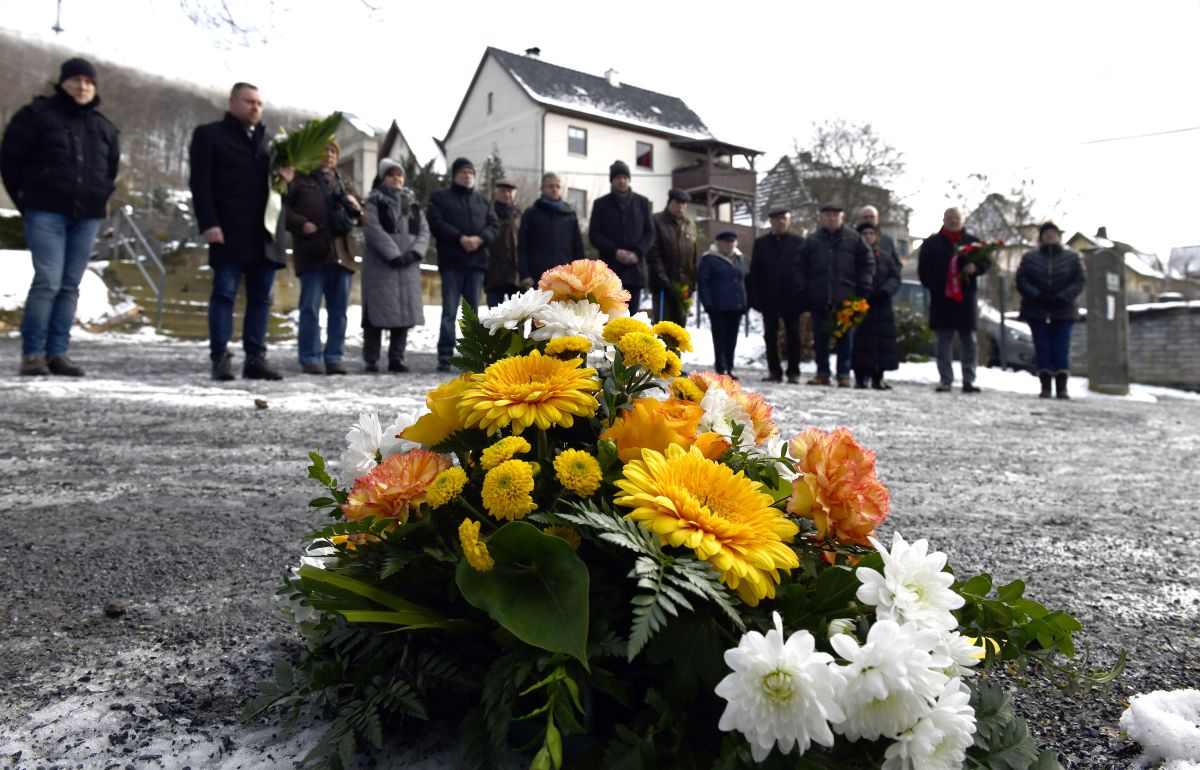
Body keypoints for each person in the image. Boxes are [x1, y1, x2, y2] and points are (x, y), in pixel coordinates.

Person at [2, 57, 119, 377]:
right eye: (76, 79)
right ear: (63, 82)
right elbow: (10, 161)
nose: (82, 86)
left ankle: (58, 353)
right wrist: (26, 201)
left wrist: (100, 195)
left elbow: (110, 169)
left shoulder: (103, 127)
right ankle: (32, 354)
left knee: (70, 285)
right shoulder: (35, 117)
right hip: (45, 212)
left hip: (87, 217)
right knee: (48, 281)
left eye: (89, 82)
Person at [189, 82, 285, 380]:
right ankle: (220, 358)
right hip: (228, 229)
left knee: (261, 299)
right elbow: (200, 184)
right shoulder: (209, 135)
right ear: (232, 102)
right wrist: (209, 223)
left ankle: (255, 359)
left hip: (265, 234)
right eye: (249, 101)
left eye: (259, 103)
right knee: (224, 294)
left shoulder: (272, 144)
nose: (255, 107)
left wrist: (286, 178)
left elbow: (281, 193)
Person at [282, 138, 363, 375]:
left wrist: (357, 207)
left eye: (333, 151)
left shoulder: (344, 181)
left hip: (342, 256)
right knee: (309, 309)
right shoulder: (300, 179)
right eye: (324, 150)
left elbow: (363, 217)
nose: (329, 155)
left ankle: (334, 358)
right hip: (313, 253)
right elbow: (282, 210)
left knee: (339, 312)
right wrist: (300, 224)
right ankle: (309, 358)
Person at [426, 157, 498, 372]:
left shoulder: (483, 201)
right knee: (449, 311)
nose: (468, 176)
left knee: (472, 314)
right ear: (455, 175)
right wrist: (460, 238)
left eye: (471, 172)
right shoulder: (440, 198)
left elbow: (494, 225)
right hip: (452, 262)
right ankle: (445, 355)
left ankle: (471, 356)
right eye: (464, 172)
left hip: (476, 264)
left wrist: (480, 239)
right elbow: (436, 222)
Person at [360, 158, 429, 373]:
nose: (397, 178)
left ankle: (396, 358)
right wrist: (393, 254)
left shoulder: (413, 204)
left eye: (400, 175)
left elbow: (424, 231)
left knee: (403, 315)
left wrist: (415, 253)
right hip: (381, 267)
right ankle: (371, 359)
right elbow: (372, 229)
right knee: (375, 315)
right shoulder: (373, 202)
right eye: (391, 175)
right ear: (383, 178)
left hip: (408, 266)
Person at [798, 203, 875, 387]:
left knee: (845, 339)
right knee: (820, 338)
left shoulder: (854, 239)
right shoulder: (812, 241)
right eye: (827, 215)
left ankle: (843, 374)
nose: (831, 218)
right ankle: (822, 373)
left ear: (842, 217)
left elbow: (867, 263)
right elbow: (799, 266)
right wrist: (803, 288)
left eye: (835, 215)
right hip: (819, 296)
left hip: (847, 298)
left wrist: (863, 286)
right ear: (821, 218)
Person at [918, 207, 986, 393]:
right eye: (950, 217)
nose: (953, 221)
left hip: (966, 299)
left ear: (962, 220)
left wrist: (975, 269)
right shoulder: (931, 243)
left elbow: (985, 263)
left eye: (957, 217)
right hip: (942, 300)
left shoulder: (973, 242)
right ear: (944, 219)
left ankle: (968, 380)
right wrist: (937, 285)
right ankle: (945, 379)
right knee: (943, 341)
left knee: (969, 341)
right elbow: (924, 271)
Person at [1016, 221, 1085, 399]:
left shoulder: (1072, 257)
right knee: (1042, 346)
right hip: (1036, 308)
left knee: (1061, 346)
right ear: (1041, 237)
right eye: (1046, 233)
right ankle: (1045, 385)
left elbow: (1079, 280)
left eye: (1053, 233)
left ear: (1059, 236)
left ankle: (1062, 387)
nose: (1050, 236)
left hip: (1064, 309)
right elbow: (1021, 280)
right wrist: (1036, 295)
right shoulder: (1030, 258)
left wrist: (1064, 296)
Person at [588, 160, 655, 312]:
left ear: (629, 179)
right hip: (609, 269)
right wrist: (615, 251)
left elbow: (650, 233)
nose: (622, 180)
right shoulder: (601, 204)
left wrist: (638, 252)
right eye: (618, 177)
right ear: (612, 180)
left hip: (635, 269)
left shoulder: (642, 202)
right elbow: (594, 235)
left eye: (625, 177)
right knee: (609, 314)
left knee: (632, 315)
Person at [748, 208, 804, 383]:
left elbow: (804, 270)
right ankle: (775, 371)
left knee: (793, 335)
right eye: (778, 219)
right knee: (770, 335)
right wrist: (754, 297)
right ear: (771, 222)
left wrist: (802, 294)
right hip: (768, 297)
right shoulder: (761, 243)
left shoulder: (799, 242)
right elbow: (754, 272)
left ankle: (793, 372)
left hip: (792, 298)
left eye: (784, 218)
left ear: (789, 221)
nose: (781, 222)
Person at [851, 221, 902, 389]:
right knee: (861, 341)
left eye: (871, 234)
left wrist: (884, 292)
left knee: (881, 342)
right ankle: (860, 377)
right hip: (859, 304)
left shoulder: (886, 257)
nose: (868, 237)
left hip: (882, 305)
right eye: (864, 234)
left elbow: (895, 278)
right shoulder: (853, 256)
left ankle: (878, 376)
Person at [518, 172, 585, 287]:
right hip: (538, 277)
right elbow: (522, 247)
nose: (554, 189)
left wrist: (581, 273)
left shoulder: (569, 214)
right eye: (550, 186)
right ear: (542, 189)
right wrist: (525, 274)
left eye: (557, 186)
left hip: (565, 277)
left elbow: (578, 247)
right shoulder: (531, 214)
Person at [698, 230, 748, 378]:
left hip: (736, 305)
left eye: (732, 242)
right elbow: (703, 282)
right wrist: (707, 302)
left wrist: (745, 301)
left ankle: (729, 367)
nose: (729, 245)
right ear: (719, 243)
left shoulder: (740, 258)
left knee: (732, 338)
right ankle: (721, 367)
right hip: (718, 306)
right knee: (720, 338)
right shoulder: (709, 259)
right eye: (726, 242)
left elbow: (746, 280)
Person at [645, 187, 698, 325]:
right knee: (662, 327)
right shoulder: (656, 220)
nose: (680, 206)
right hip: (663, 285)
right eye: (677, 202)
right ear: (669, 202)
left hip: (684, 286)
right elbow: (652, 252)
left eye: (683, 203)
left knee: (679, 329)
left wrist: (692, 282)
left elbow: (693, 255)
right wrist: (661, 276)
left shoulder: (690, 225)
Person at [485, 180, 521, 307]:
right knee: (495, 315)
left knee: (517, 316)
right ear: (496, 193)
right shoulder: (488, 213)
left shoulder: (519, 215)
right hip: (493, 272)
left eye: (510, 191)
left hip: (515, 274)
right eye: (503, 191)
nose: (506, 194)